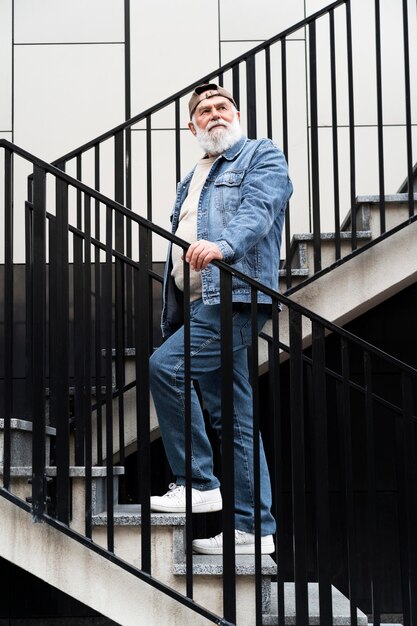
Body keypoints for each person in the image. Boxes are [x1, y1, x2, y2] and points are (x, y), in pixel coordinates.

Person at [149, 83, 292, 555]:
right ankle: (255, 531)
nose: (213, 114)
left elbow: (261, 209)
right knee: (235, 418)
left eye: (221, 107)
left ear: (235, 114)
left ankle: (197, 482)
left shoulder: (260, 155)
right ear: (193, 126)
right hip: (194, 304)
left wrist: (223, 246)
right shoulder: (192, 176)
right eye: (203, 111)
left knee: (165, 368)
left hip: (232, 297)